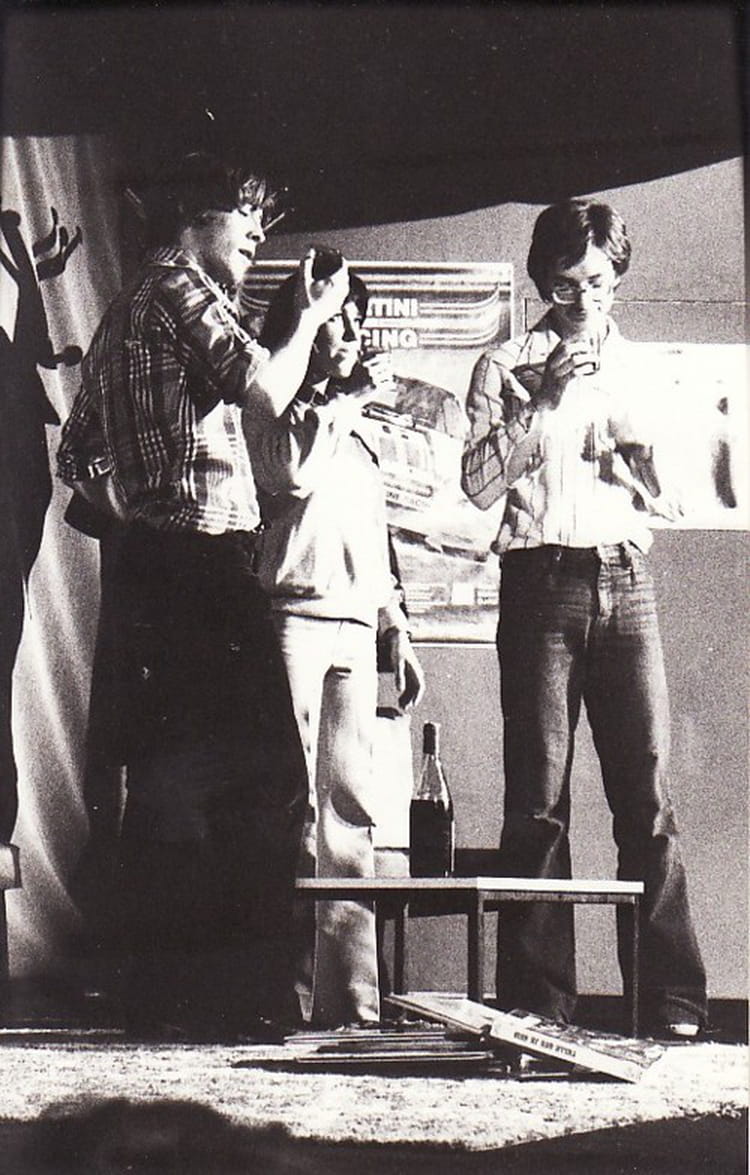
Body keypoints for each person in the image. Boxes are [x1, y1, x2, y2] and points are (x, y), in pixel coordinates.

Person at [56, 151, 351, 1041]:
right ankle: (246, 998)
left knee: (171, 785)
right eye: (244, 214)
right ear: (194, 218)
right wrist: (311, 320)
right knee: (265, 781)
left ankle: (168, 997)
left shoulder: (123, 309)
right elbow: (263, 390)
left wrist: (139, 519)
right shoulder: (183, 286)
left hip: (155, 565)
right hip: (205, 562)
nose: (257, 232)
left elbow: (76, 452)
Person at [461, 198, 707, 1040]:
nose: (582, 301)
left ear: (616, 278)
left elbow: (676, 497)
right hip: (541, 582)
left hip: (626, 578)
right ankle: (539, 998)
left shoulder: (641, 368)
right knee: (537, 800)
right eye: (565, 285)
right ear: (541, 281)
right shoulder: (503, 363)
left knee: (647, 795)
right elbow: (477, 485)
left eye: (597, 283)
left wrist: (639, 458)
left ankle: (671, 1001)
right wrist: (545, 401)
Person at [247, 262, 425, 1027]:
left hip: (355, 622)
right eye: (332, 318)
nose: (348, 333)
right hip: (290, 616)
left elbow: (376, 539)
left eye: (355, 320)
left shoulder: (360, 425)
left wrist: (397, 629)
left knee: (352, 814)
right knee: (291, 810)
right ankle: (278, 993)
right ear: (303, 322)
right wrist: (345, 403)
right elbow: (287, 474)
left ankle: (351, 1000)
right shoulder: (274, 397)